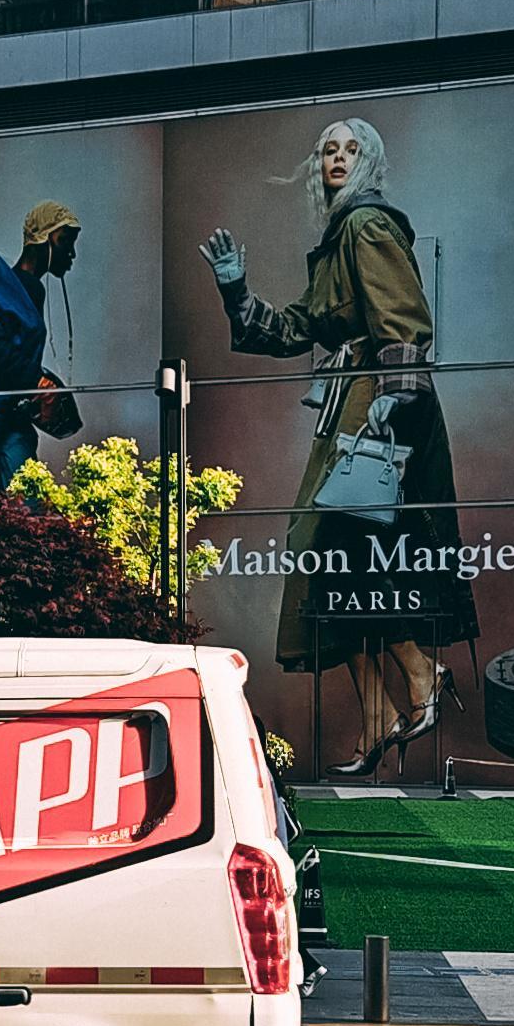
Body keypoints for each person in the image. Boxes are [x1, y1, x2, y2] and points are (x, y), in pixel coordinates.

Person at [204, 114, 476, 773]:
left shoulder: (367, 224)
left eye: (352, 150)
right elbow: (295, 328)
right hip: (351, 402)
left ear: (370, 162)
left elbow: (404, 318)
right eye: (329, 149)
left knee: (342, 547)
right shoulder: (339, 236)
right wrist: (236, 289)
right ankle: (381, 710)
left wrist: (393, 398)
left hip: (378, 404)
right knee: (325, 552)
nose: (338, 158)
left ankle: (420, 673)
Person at [0, 202, 84, 495]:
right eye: (65, 241)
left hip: (8, 418)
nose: (71, 253)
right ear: (43, 239)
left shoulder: (28, 289)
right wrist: (38, 382)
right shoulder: (8, 288)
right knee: (22, 504)